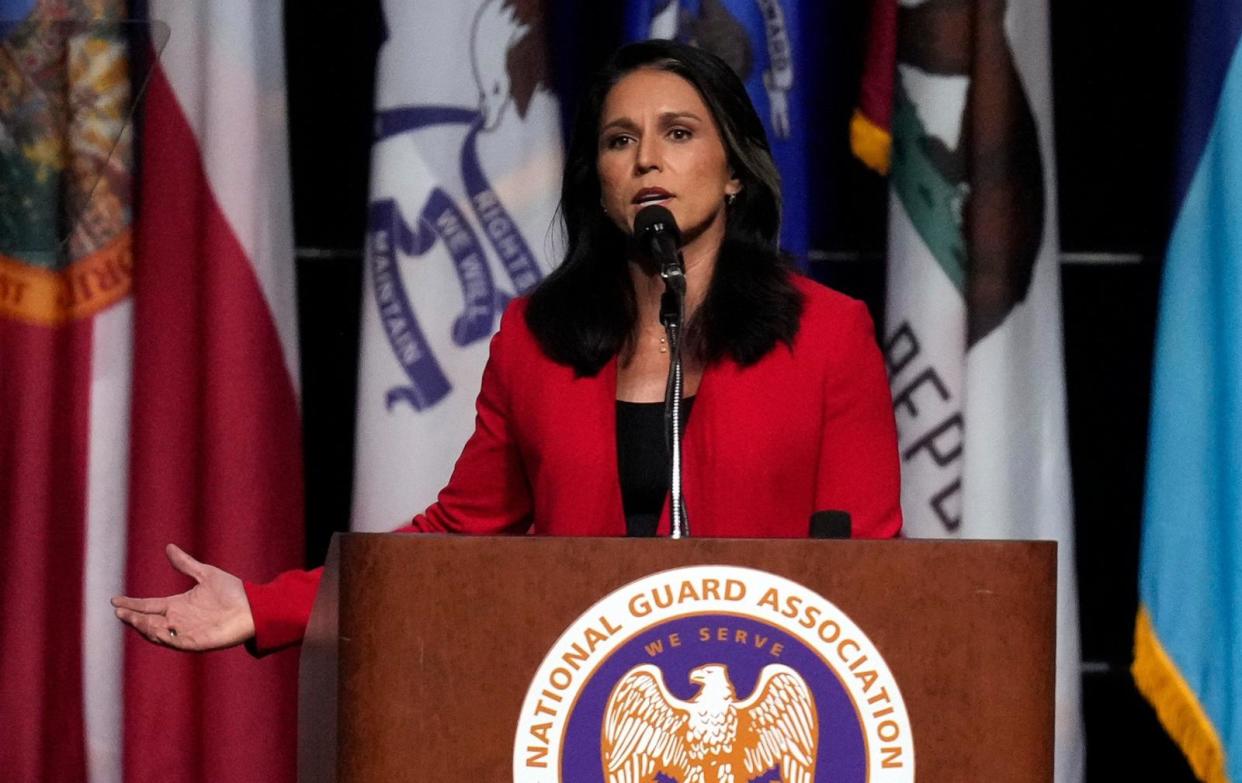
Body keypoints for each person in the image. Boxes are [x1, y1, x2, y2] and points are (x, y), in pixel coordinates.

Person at [112, 39, 902, 656]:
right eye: (619, 140)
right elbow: (456, 539)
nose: (647, 158)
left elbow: (870, 565)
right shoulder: (539, 340)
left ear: (733, 172)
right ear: (599, 181)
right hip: (576, 704)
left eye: (680, 133)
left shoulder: (828, 333)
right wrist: (263, 604)